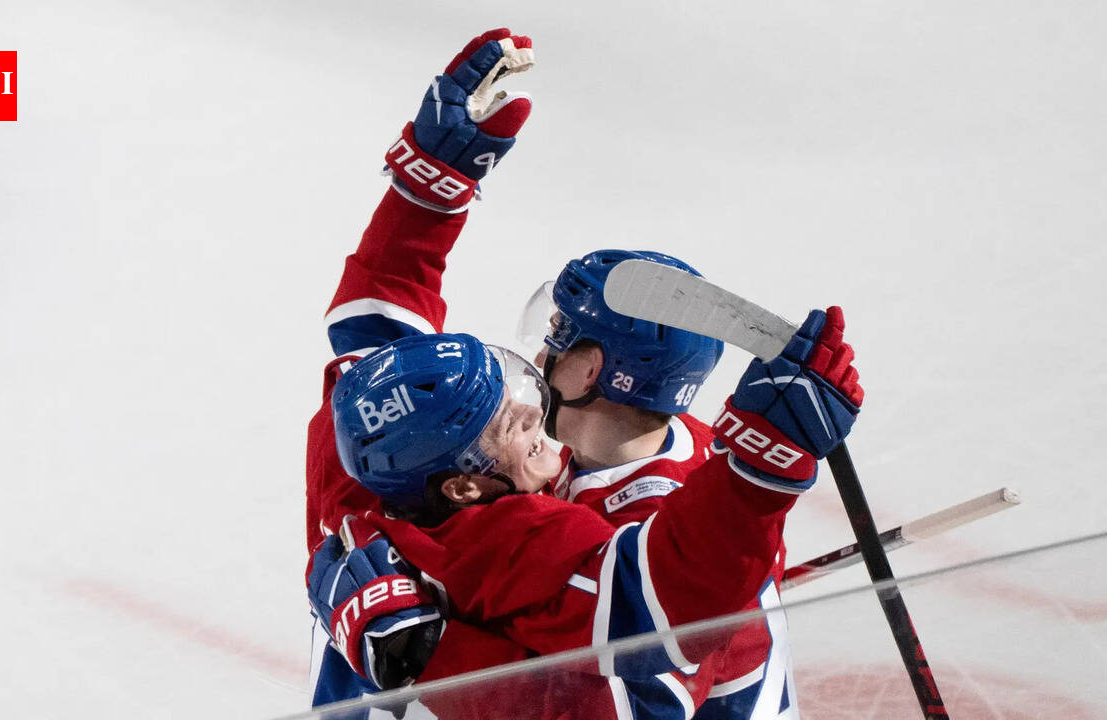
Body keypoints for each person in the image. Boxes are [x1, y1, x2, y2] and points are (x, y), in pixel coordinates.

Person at [302, 29, 865, 718]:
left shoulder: (387, 476)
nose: (536, 369)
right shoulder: (559, 519)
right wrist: (756, 478)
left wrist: (427, 656)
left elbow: (635, 681)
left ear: (593, 368)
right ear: (462, 481)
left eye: (559, 339)